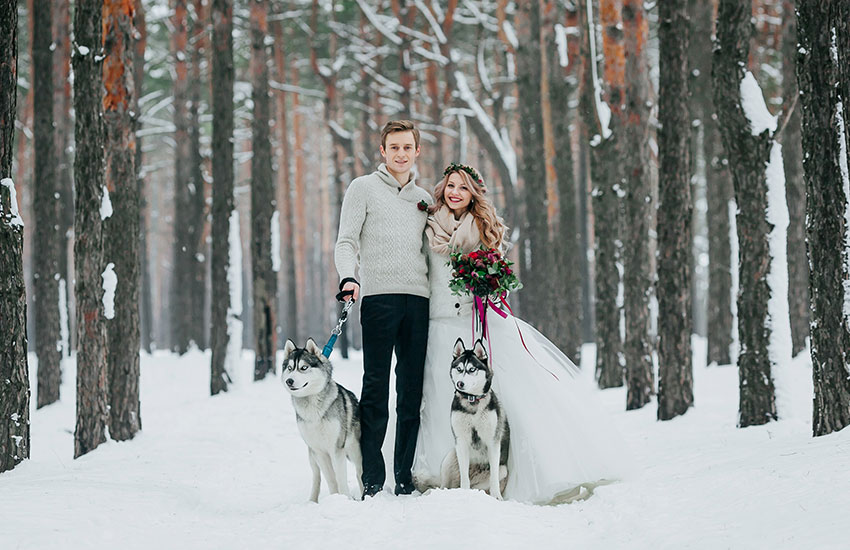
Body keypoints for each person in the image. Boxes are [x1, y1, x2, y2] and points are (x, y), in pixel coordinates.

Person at [413, 163, 627, 505]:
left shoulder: (483, 228)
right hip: (439, 324)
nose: (454, 192)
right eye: (450, 185)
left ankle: (531, 472)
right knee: (438, 397)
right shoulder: (428, 224)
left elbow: (499, 278)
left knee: (513, 395)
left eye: (463, 188)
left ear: (473, 195)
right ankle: (445, 475)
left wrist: (488, 285)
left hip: (478, 323)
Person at [334, 120, 433, 498]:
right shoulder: (363, 189)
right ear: (383, 151)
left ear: (416, 151)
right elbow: (346, 241)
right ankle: (372, 478)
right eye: (394, 147)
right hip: (378, 300)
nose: (401, 154)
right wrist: (348, 277)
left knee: (411, 391)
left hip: (419, 301)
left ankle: (404, 475)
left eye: (407, 147)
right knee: (375, 388)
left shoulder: (424, 199)